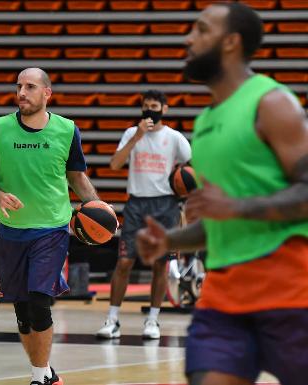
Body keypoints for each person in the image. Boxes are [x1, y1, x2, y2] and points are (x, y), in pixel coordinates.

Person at [136, 3, 308, 385]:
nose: (188, 38)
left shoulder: (273, 103)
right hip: (223, 298)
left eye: (200, 29)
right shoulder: (206, 121)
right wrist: (170, 240)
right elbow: (221, 219)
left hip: (289, 294)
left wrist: (235, 207)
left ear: (231, 42)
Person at [0, 67, 101, 385]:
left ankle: (38, 377)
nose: (21, 92)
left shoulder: (67, 130)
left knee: (39, 301)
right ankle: (44, 373)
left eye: (30, 87)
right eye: (19, 86)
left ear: (46, 93)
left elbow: (77, 178)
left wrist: (97, 206)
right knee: (23, 311)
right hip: (11, 231)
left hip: (52, 229)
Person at [96, 90, 191, 339]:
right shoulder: (131, 133)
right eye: (146, 106)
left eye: (155, 105)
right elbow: (115, 164)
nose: (150, 110)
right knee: (124, 263)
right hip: (136, 204)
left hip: (166, 205)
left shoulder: (174, 138)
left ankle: (153, 320)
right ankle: (112, 319)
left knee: (160, 265)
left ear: (164, 109)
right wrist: (137, 136)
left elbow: (192, 169)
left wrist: (185, 188)